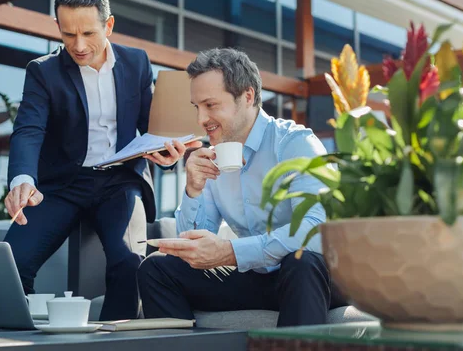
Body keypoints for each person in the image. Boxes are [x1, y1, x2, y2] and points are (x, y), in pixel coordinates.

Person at [3, 0, 198, 320]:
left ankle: (112, 341)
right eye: (68, 34)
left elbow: (150, 126)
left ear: (108, 25)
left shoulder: (137, 63)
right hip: (60, 187)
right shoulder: (43, 72)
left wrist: (166, 153)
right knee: (11, 264)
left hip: (119, 182)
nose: (78, 45)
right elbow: (29, 127)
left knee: (129, 263)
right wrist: (22, 177)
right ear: (58, 28)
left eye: (89, 34)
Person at [137, 48, 346, 327]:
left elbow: (315, 231)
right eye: (196, 107)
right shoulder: (215, 155)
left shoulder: (294, 144)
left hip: (316, 275)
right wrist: (193, 191)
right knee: (156, 268)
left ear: (247, 96)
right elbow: (194, 248)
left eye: (210, 105)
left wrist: (230, 252)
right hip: (258, 277)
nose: (201, 119)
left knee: (302, 262)